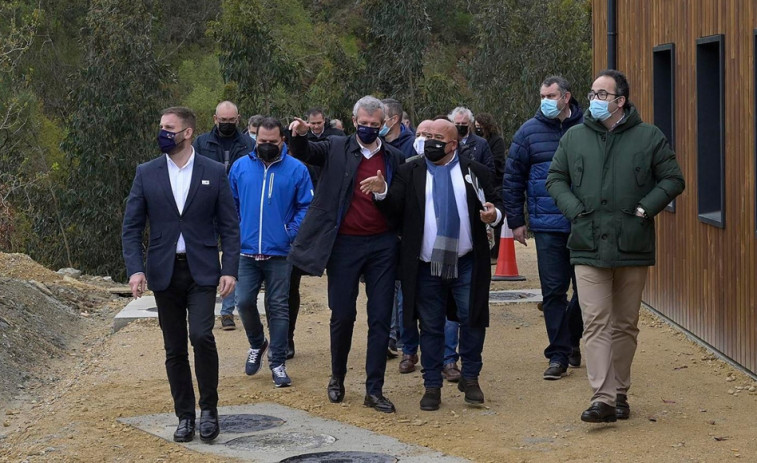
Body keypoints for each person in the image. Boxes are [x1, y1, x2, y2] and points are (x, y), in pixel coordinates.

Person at [546, 69, 684, 423]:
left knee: (625, 323)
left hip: (632, 244)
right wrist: (575, 211)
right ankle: (603, 398)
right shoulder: (574, 138)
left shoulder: (649, 136)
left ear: (620, 101)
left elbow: (673, 178)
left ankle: (620, 391)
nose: (593, 100)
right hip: (587, 243)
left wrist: (645, 208)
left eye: (602, 95)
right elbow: (555, 178)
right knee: (595, 320)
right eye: (591, 94)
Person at [361, 118, 504, 411]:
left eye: (437, 137)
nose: (429, 142)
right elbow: (395, 209)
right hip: (425, 266)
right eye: (426, 136)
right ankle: (432, 386)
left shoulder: (474, 171)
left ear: (453, 144)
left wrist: (494, 215)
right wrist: (381, 192)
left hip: (466, 263)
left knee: (473, 319)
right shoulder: (409, 170)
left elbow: (497, 203)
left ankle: (471, 377)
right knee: (431, 325)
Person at [122, 106, 239, 443]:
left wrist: (229, 268)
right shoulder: (146, 172)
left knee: (201, 336)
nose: (163, 132)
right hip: (164, 272)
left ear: (187, 132)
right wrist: (135, 270)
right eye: (161, 126)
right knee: (174, 348)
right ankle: (185, 416)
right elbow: (131, 228)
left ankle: (209, 411)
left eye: (169, 128)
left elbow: (230, 227)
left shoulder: (214, 172)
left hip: (202, 270)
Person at [287, 96, 405, 413]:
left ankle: (374, 389)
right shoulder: (335, 147)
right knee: (343, 315)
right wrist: (297, 134)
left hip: (382, 246)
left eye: (374, 125)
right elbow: (305, 152)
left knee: (381, 318)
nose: (368, 129)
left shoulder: (394, 158)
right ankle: (337, 378)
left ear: (385, 125)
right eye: (363, 124)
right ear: (354, 121)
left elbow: (400, 205)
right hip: (344, 245)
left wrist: (383, 191)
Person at [503, 76, 585, 380]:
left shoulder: (588, 127)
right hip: (547, 226)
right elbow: (513, 178)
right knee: (553, 292)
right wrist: (516, 221)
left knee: (586, 292)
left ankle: (571, 337)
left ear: (566, 97)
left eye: (550, 95)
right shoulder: (528, 132)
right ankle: (559, 354)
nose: (545, 100)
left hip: (583, 223)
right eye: (542, 95)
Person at [228, 117, 313, 388]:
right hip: (247, 250)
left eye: (272, 142)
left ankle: (278, 362)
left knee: (278, 306)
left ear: (282, 141)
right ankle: (257, 343)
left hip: (280, 252)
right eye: (261, 141)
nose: (266, 146)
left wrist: (289, 232)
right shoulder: (240, 167)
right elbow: (231, 203)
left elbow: (306, 206)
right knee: (243, 301)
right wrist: (239, 230)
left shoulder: (297, 169)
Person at [192, 101, 254, 330]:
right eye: (223, 120)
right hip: (206, 208)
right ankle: (203, 306)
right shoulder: (201, 143)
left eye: (231, 120)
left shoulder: (248, 144)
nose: (227, 124)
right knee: (204, 257)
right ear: (215, 119)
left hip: (236, 207)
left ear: (238, 119)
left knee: (232, 258)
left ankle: (227, 311)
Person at [392, 119, 433, 374]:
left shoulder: (452, 169)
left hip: (440, 249)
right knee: (405, 301)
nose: (424, 139)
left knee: (440, 308)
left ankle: (446, 357)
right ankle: (408, 350)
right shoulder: (404, 167)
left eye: (430, 135)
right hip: (408, 247)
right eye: (420, 134)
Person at [474, 112, 506, 261]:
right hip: (478, 184)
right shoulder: (476, 143)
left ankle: (496, 252)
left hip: (495, 184)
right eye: (476, 127)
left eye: (480, 127)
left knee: (496, 219)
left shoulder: (496, 141)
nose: (478, 130)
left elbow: (497, 163)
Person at [448, 106, 495, 175]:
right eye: (457, 124)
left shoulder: (481, 143)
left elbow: (490, 171)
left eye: (464, 123)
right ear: (452, 123)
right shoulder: (448, 143)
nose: (460, 126)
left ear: (470, 123)